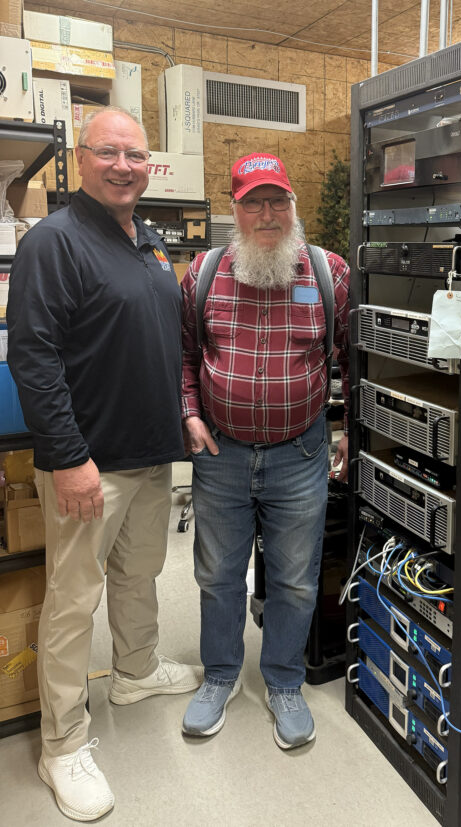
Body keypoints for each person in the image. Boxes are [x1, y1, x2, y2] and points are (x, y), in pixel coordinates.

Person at [7, 106, 203, 822]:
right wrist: (67, 457)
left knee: (139, 573)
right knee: (71, 601)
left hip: (151, 455)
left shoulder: (146, 243)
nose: (125, 165)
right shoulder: (54, 242)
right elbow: (32, 355)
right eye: (109, 153)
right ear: (81, 161)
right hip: (89, 465)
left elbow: (154, 341)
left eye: (137, 155)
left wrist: (181, 417)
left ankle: (136, 670)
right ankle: (62, 743)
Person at [180, 153, 349, 749]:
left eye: (278, 200)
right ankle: (220, 675)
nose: (268, 213)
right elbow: (183, 356)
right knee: (218, 576)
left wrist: (349, 426)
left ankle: (283, 681)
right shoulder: (203, 273)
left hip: (299, 456)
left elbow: (350, 359)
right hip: (220, 456)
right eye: (254, 201)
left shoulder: (328, 273)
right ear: (235, 210)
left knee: (296, 581)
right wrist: (191, 412)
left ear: (293, 206)